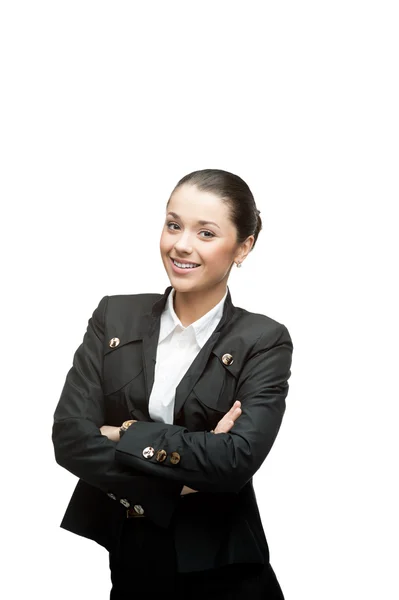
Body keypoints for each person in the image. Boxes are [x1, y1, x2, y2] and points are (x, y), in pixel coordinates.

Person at [52, 168, 293, 598]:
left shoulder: (263, 340)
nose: (181, 244)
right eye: (173, 225)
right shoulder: (115, 317)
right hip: (132, 569)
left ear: (243, 247)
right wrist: (182, 481)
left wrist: (122, 433)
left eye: (206, 233)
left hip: (228, 573)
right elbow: (70, 439)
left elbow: (235, 461)